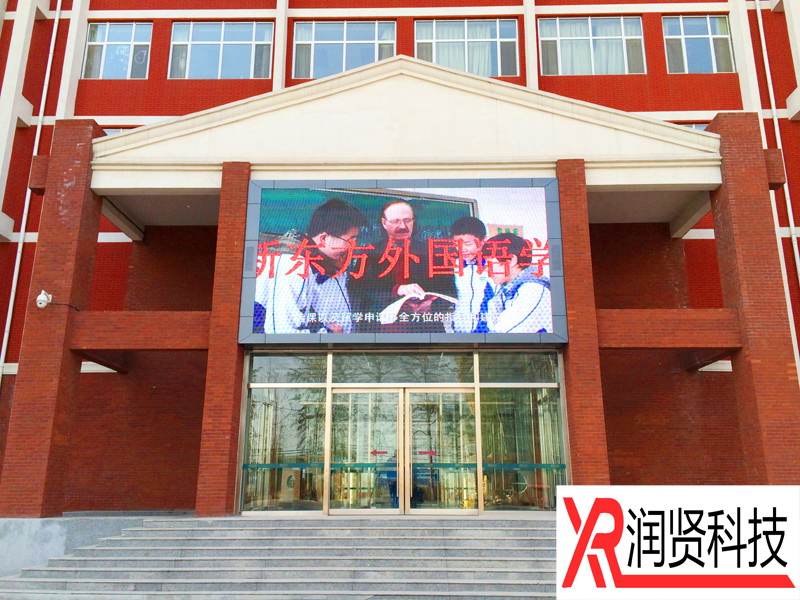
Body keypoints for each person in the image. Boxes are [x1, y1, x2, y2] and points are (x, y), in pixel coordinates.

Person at [254, 198, 366, 334]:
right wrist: (328, 334)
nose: (354, 246)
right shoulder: (292, 264)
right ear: (324, 238)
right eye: (350, 240)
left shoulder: (328, 263)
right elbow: (281, 331)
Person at [351, 199, 456, 332]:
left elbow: (450, 290)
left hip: (425, 331)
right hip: (380, 333)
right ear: (384, 223)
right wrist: (396, 290)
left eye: (407, 220)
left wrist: (432, 305)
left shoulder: (433, 252)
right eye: (395, 221)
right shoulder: (369, 253)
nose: (402, 226)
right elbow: (358, 292)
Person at [483, 233, 551, 334]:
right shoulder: (505, 290)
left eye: (489, 263)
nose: (486, 269)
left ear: (511, 260)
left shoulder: (533, 290)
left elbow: (501, 335)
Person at [449, 216, 492, 333]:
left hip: (488, 333)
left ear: (483, 241)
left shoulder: (496, 266)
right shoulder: (452, 266)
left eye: (468, 244)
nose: (462, 249)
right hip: (459, 333)